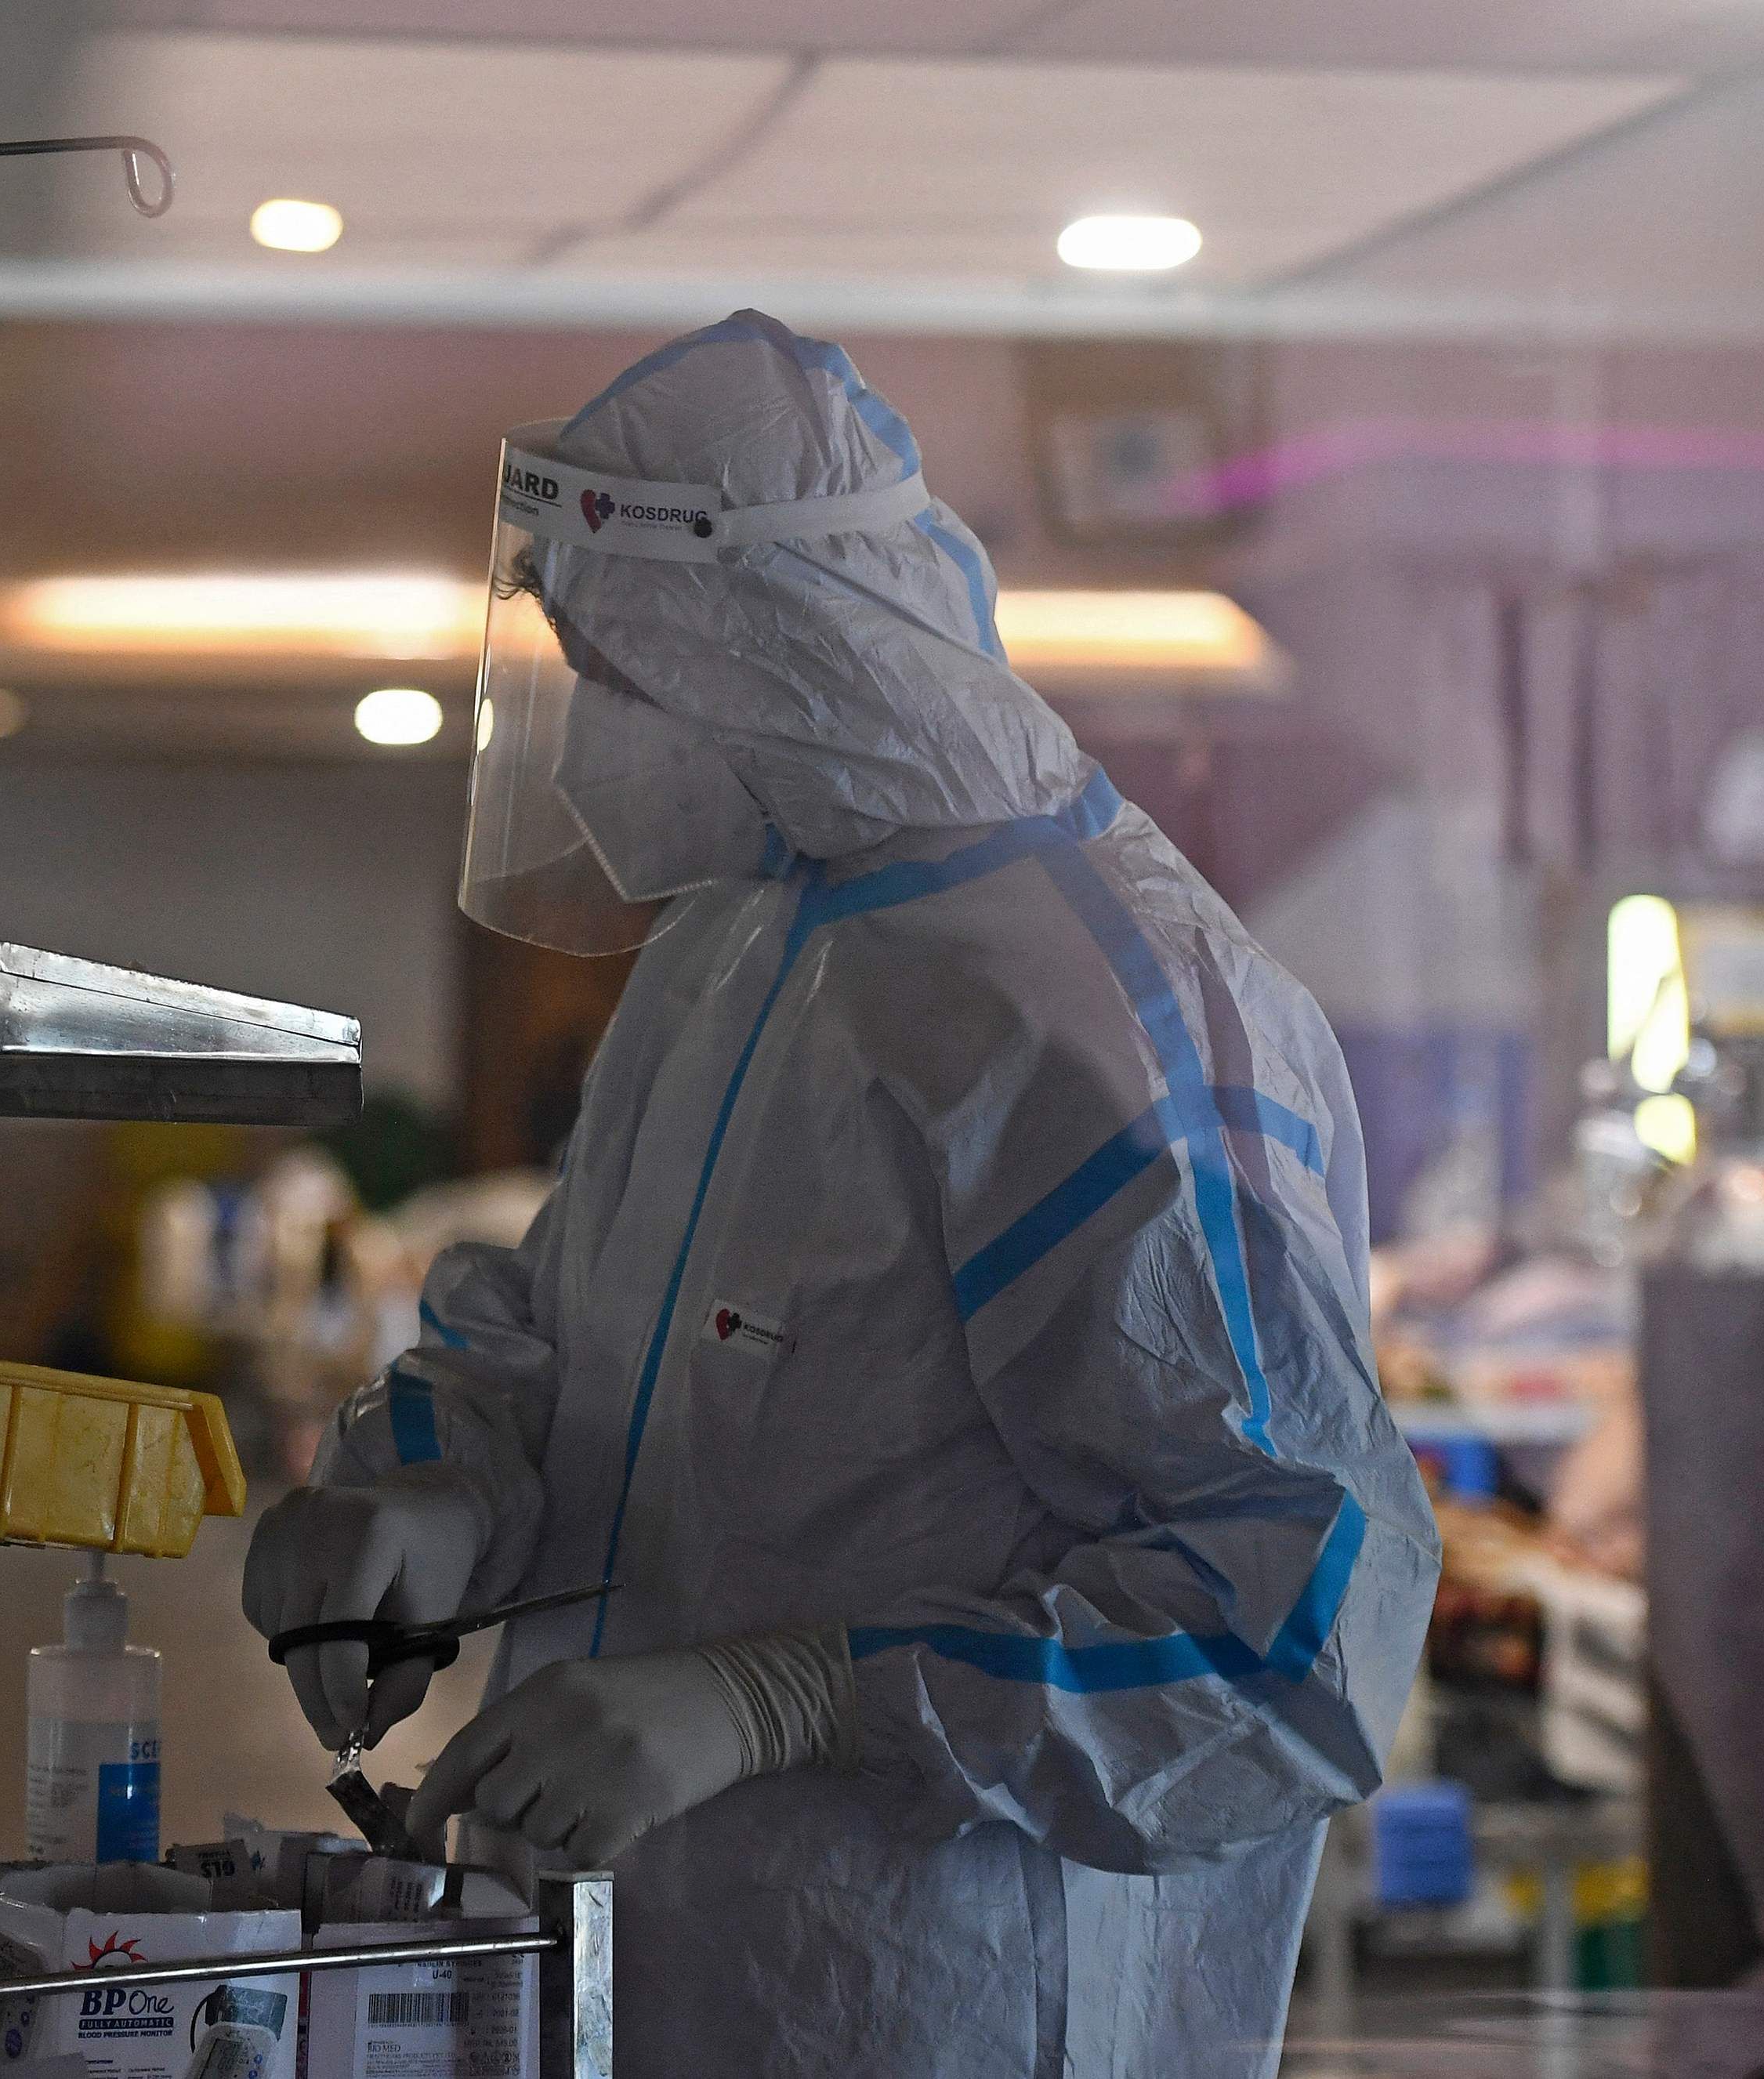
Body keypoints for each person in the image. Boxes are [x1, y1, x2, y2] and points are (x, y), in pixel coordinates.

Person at [243, 310, 1437, 2074]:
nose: (584, 748)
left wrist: (786, 1696)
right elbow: (573, 1346)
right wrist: (436, 1492)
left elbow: (1291, 1636)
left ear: (772, 646)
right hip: (637, 1975)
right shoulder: (733, 953)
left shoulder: (1092, 1017)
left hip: (937, 2003)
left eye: (621, 675)